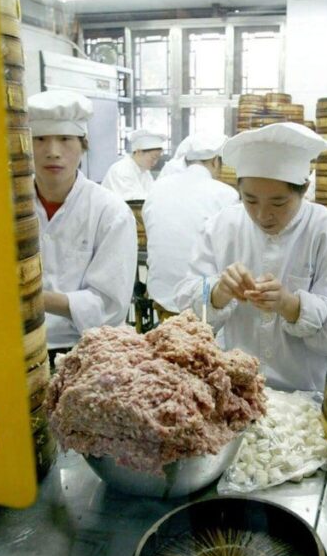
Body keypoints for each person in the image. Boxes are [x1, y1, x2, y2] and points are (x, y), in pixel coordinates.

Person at [175, 122, 327, 393]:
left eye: (279, 203)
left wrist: (291, 306)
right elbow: (190, 305)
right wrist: (218, 292)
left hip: (304, 390)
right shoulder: (222, 227)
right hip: (235, 389)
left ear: (304, 189)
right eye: (250, 201)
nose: (263, 215)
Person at [29, 90, 138, 362]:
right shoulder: (5, 207)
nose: (53, 152)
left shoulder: (110, 213)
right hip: (15, 346)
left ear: (83, 145)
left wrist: (34, 299)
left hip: (85, 350)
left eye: (65, 139)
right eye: (40, 139)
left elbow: (110, 307)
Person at [143, 133, 237, 314]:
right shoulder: (226, 194)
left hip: (160, 293)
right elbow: (230, 248)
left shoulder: (157, 187)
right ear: (215, 161)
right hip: (201, 300)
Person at [101, 129, 167, 200]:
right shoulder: (122, 169)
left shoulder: (144, 172)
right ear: (139, 152)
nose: (155, 162)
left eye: (158, 158)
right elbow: (132, 200)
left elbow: (151, 194)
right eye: (153, 157)